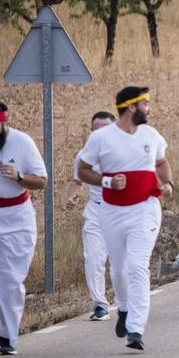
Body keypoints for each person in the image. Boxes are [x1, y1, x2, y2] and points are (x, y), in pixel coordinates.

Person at [77, 87, 173, 350]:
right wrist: (107, 181)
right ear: (131, 107)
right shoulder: (101, 138)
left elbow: (162, 162)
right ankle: (124, 309)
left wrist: (168, 184)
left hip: (145, 208)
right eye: (146, 103)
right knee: (118, 269)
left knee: (137, 265)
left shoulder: (151, 135)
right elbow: (82, 170)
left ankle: (136, 330)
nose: (149, 108)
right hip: (112, 211)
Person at [0, 101, 48, 355]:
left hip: (16, 217)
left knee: (10, 280)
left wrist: (18, 178)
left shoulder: (22, 142)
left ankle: (8, 337)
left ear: (4, 122)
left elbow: (41, 181)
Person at [64, 111, 116, 321]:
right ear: (92, 132)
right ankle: (100, 304)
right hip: (96, 212)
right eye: (97, 130)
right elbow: (77, 182)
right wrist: (71, 197)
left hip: (124, 213)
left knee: (123, 266)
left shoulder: (128, 152)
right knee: (93, 258)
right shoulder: (84, 155)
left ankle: (128, 302)